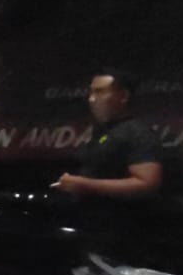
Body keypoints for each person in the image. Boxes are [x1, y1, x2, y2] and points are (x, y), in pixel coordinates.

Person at [52, 68, 163, 199]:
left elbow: (147, 183)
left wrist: (85, 185)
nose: (92, 99)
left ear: (123, 96)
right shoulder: (104, 131)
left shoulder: (137, 133)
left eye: (100, 92)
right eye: (91, 92)